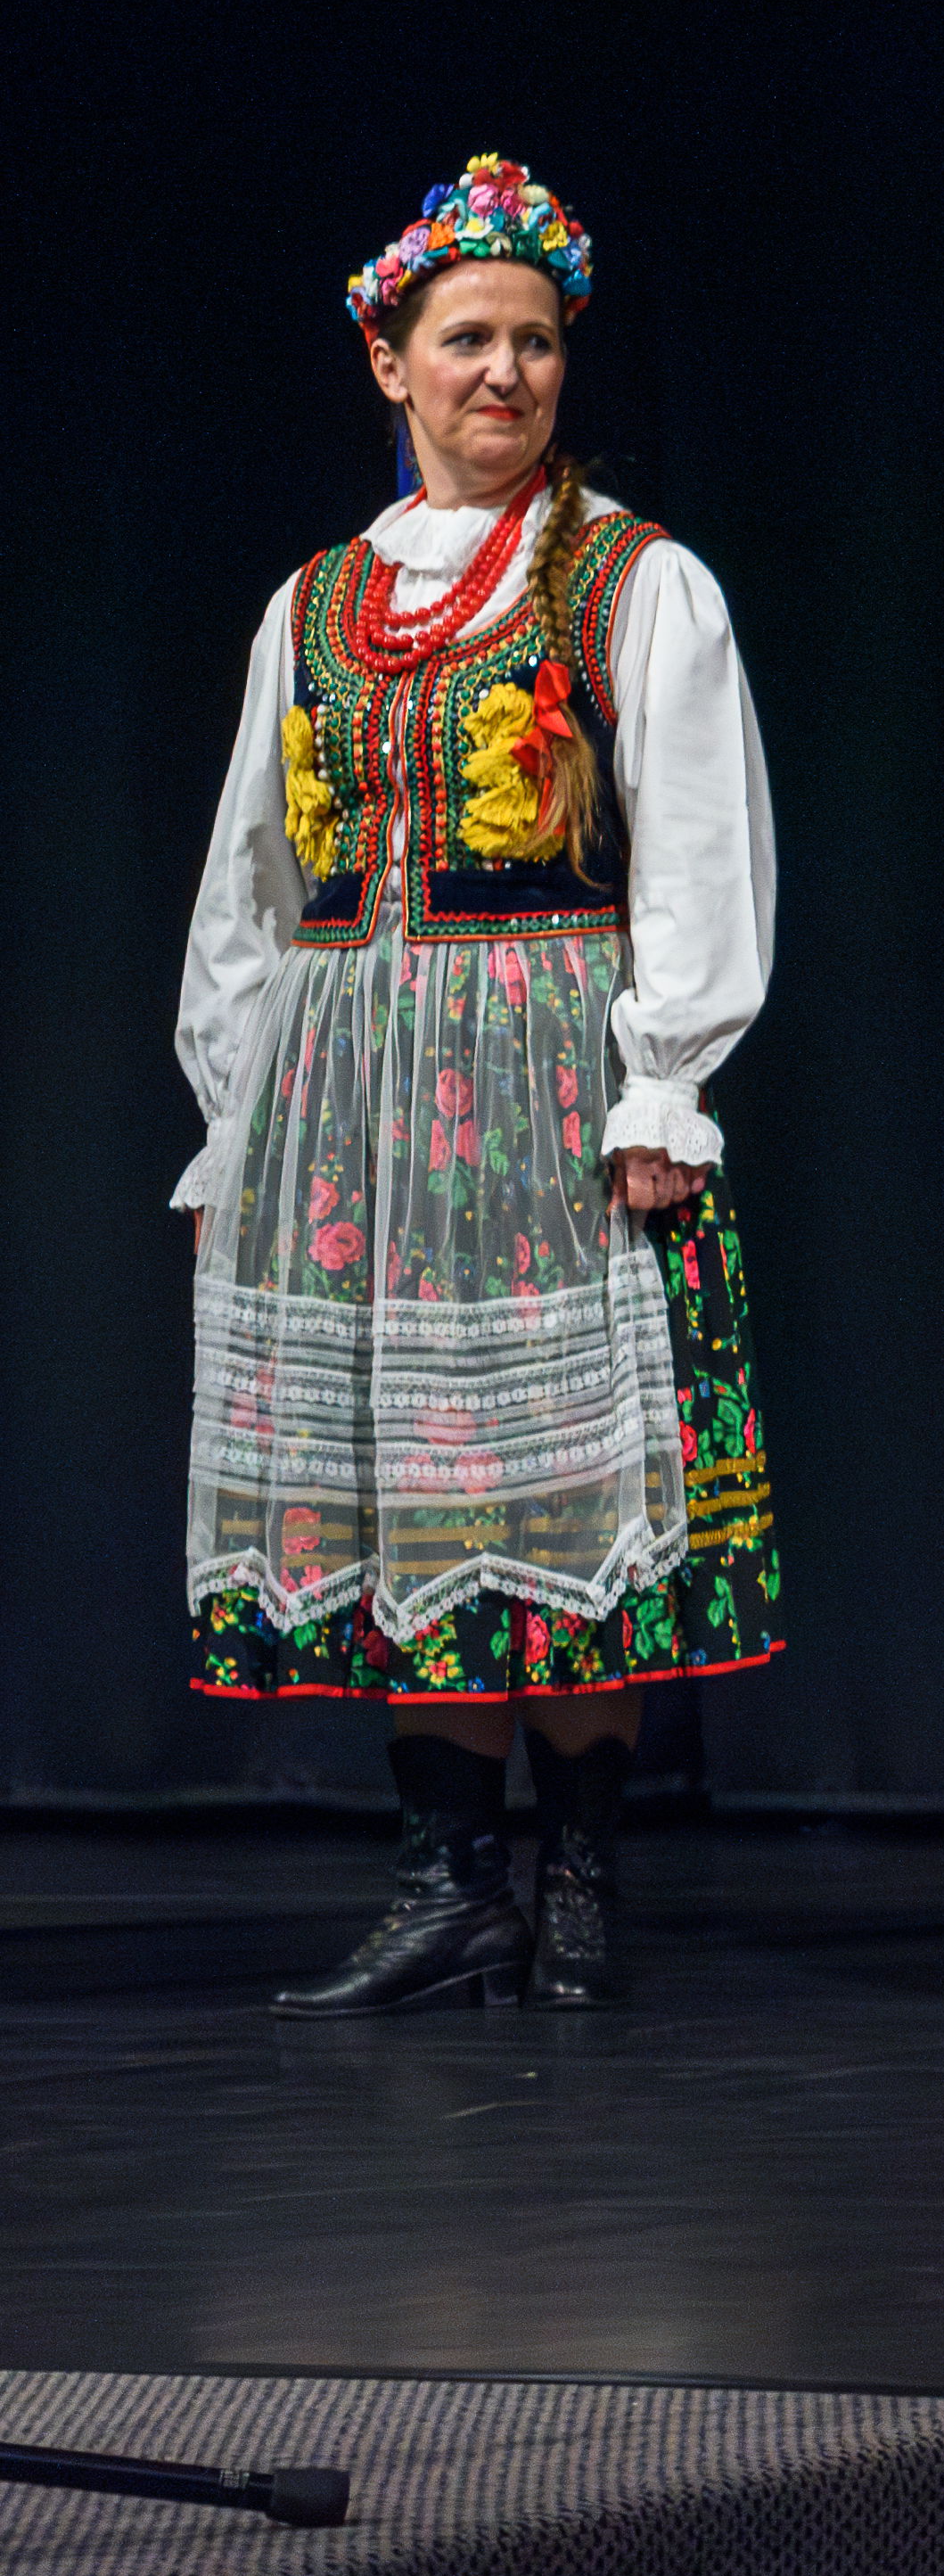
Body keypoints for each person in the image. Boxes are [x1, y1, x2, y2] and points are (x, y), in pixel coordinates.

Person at [173, 155, 782, 2012]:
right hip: (349, 1091)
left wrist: (664, 1084)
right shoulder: (315, 603)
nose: (505, 372)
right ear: (392, 363)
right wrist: (233, 1117)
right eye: (467, 341)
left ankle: (577, 1876)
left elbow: (700, 847)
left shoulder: (632, 581)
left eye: (533, 341)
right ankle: (449, 1878)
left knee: (554, 1479)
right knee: (403, 1481)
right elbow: (252, 881)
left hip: (545, 1071)